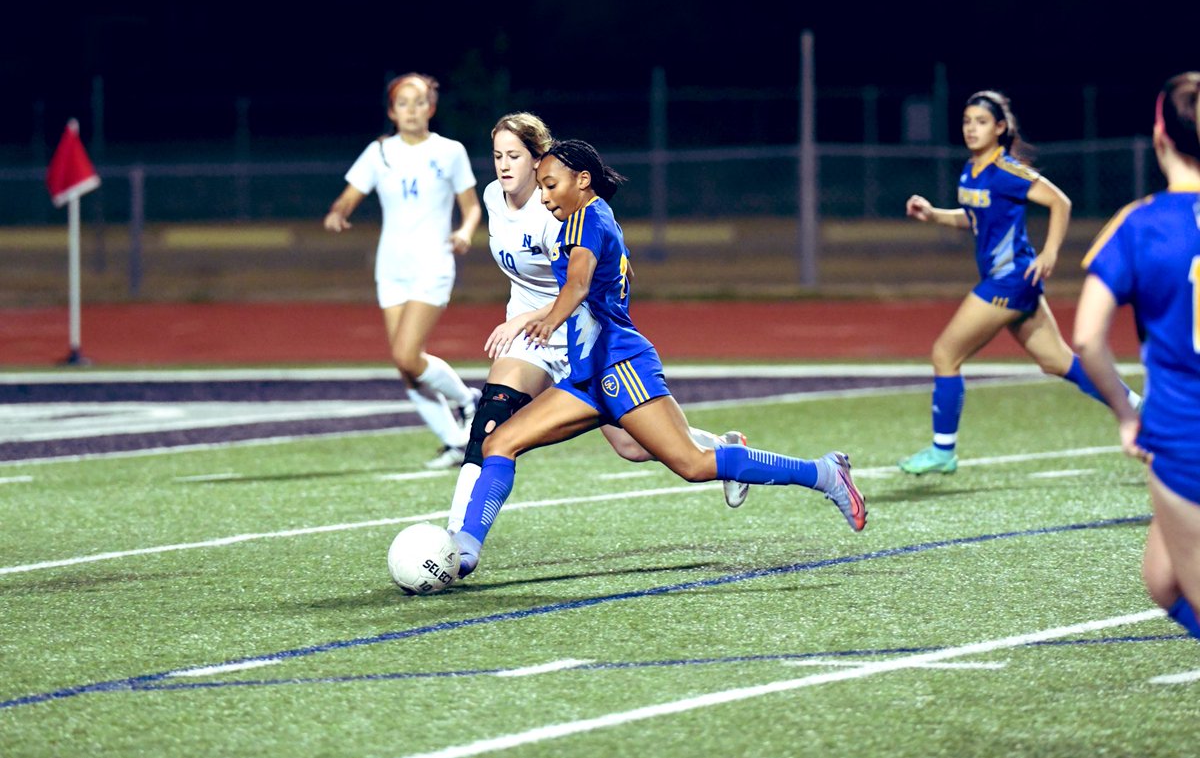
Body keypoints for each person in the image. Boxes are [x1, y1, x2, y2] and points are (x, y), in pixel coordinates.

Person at [452, 139, 866, 580]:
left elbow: (577, 285)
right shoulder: (594, 217)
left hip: (620, 366)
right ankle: (464, 550)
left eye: (551, 185)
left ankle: (823, 473)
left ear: (582, 180)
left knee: (694, 464)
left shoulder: (583, 222)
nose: (545, 195)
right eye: (541, 187)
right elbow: (604, 280)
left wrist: (549, 320)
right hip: (588, 375)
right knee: (502, 443)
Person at [445, 115, 750, 532]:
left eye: (514, 156)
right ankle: (457, 535)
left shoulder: (558, 210)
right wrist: (524, 319)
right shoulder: (493, 198)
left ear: (539, 160)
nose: (504, 165)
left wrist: (535, 316)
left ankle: (724, 449)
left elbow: (589, 283)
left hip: (577, 336)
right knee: (491, 422)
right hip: (531, 338)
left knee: (632, 446)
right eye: (497, 155)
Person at [898, 89, 1141, 475]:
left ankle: (943, 451)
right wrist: (932, 214)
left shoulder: (1008, 171)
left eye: (981, 122)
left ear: (999, 128)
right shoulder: (971, 169)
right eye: (967, 121)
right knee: (1057, 361)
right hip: (1015, 281)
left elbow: (1060, 202)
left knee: (945, 354)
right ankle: (1140, 408)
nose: (971, 129)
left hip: (1008, 281)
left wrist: (1050, 252)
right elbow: (973, 217)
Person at [1073, 73, 1200, 642]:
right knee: (1162, 579)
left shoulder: (1140, 223)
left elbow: (1086, 339)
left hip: (1184, 434)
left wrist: (1127, 415)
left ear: (1159, 136)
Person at [324, 72, 482, 469]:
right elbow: (348, 197)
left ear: (431, 108)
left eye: (419, 102)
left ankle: (468, 400)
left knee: (407, 355)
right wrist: (339, 213)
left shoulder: (450, 151)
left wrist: (464, 232)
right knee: (406, 367)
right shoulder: (379, 153)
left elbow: (471, 207)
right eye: (403, 103)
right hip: (391, 267)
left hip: (433, 263)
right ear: (392, 112)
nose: (411, 110)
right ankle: (455, 443)